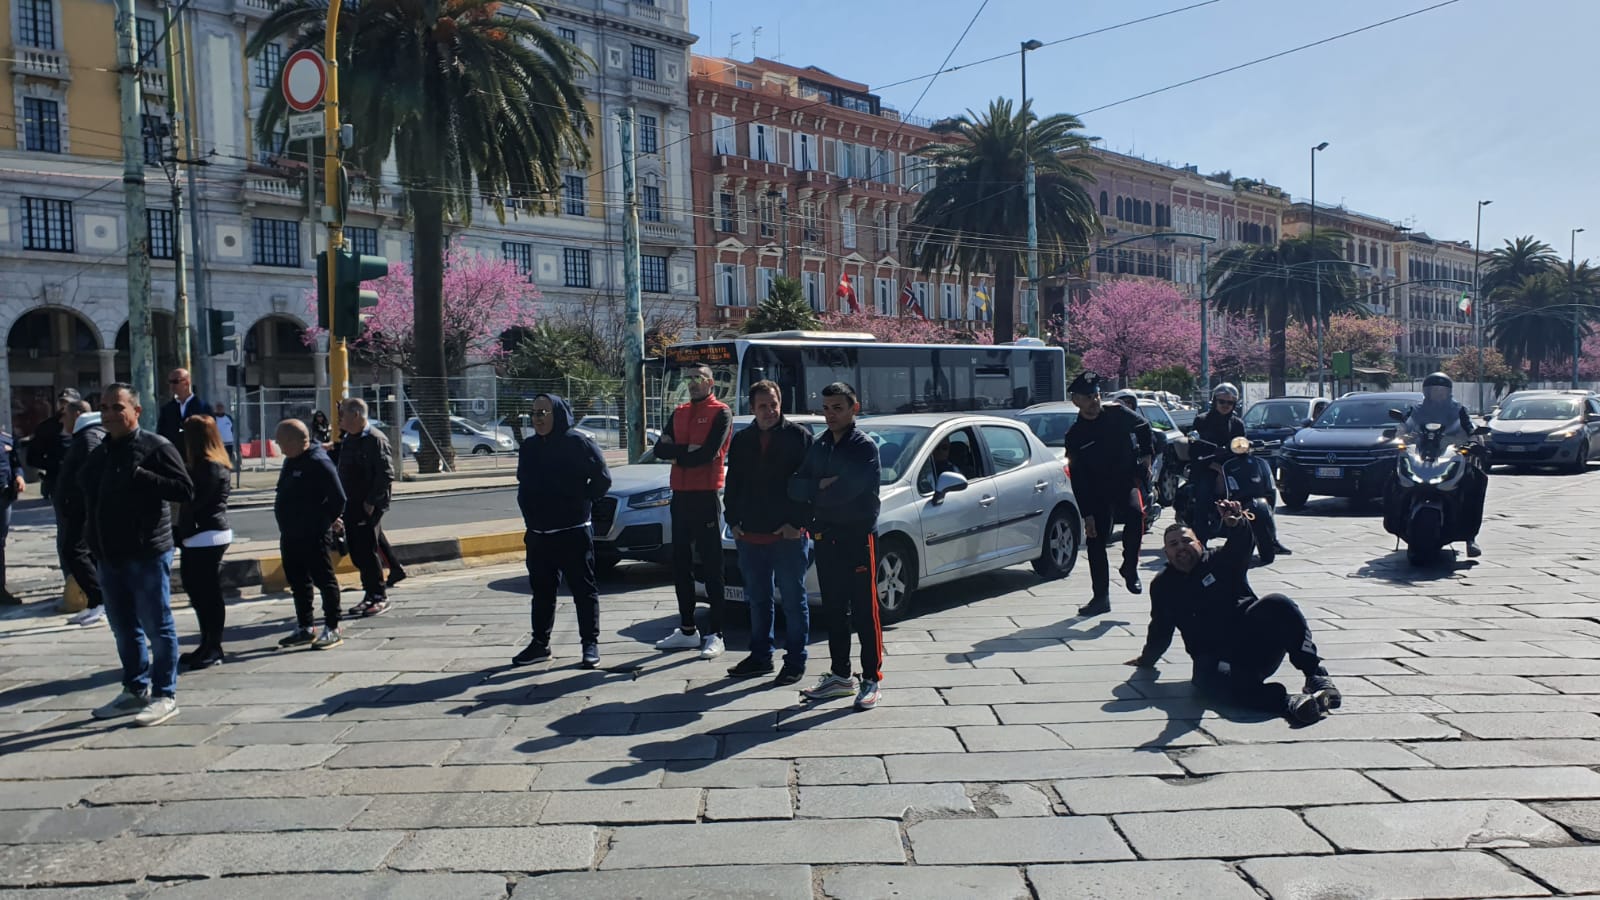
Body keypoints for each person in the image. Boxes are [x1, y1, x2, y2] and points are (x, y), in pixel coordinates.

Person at [1127, 502, 1341, 725]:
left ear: (1199, 544)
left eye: (1187, 540)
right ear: (1166, 553)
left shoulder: (1221, 560)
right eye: (1174, 544)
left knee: (1278, 603)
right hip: (1217, 660)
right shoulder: (1163, 585)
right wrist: (1146, 659)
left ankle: (1315, 675)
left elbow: (1241, 544)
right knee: (1209, 685)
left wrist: (1237, 523)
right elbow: (1161, 627)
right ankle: (1290, 703)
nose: (1181, 547)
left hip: (1256, 644)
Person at [81, 384, 194, 727]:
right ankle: (134, 690)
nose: (110, 415)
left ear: (136, 412)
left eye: (117, 407)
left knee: (157, 627)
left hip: (146, 553)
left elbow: (184, 490)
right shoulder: (100, 452)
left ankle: (164, 695)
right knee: (123, 628)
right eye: (104, 408)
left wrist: (142, 477)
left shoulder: (155, 446)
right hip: (108, 555)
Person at [791, 382, 883, 710]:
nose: (830, 414)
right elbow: (795, 486)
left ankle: (871, 678)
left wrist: (816, 492)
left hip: (857, 539)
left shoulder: (863, 447)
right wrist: (819, 485)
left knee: (864, 611)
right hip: (825, 538)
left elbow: (848, 492)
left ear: (853, 408)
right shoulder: (821, 445)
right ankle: (840, 675)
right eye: (826, 408)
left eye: (838, 408)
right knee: (833, 609)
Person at [723, 379, 814, 684]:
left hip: (788, 537)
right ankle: (761, 656)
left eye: (773, 404)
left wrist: (798, 524)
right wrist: (732, 520)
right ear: (752, 408)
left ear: (780, 403)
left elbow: (811, 487)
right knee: (758, 600)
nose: (769, 410)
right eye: (762, 405)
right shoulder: (742, 440)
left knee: (792, 600)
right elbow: (732, 483)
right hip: (750, 536)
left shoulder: (799, 437)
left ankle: (796, 660)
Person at [512, 393, 612, 668]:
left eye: (544, 412)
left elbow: (603, 479)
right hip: (538, 533)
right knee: (542, 591)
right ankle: (539, 644)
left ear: (558, 414)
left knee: (583, 589)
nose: (538, 418)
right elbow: (524, 483)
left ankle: (589, 644)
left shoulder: (577, 442)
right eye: (534, 413)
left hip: (573, 531)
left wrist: (580, 500)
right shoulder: (529, 447)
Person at [652, 364, 734, 659]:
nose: (692, 383)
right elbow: (659, 450)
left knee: (712, 564)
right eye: (688, 379)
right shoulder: (680, 412)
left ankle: (717, 632)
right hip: (680, 496)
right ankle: (687, 629)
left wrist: (679, 452)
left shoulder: (721, 412)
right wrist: (687, 451)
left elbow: (707, 453)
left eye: (698, 379)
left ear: (710, 382)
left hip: (706, 495)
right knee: (681, 562)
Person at [1064, 372, 1153, 617]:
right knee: (1095, 541)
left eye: (1096, 395)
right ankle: (1101, 597)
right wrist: (1087, 515)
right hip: (1096, 490)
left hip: (1124, 481)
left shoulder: (1117, 413)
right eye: (1088, 397)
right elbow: (1078, 478)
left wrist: (1147, 455)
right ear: (1076, 401)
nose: (1094, 401)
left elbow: (1144, 427)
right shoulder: (1074, 436)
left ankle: (1130, 567)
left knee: (1137, 515)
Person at [273, 419, 346, 650]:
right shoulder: (292, 459)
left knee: (324, 580)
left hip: (313, 534)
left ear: (296, 441)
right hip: (290, 533)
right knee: (298, 581)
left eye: (281, 442)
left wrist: (323, 521)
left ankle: (333, 627)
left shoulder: (318, 462)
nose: (279, 447)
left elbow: (339, 498)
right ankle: (305, 626)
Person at [1404, 371, 1486, 558]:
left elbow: (1470, 428)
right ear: (1426, 392)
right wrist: (1399, 434)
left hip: (1450, 453)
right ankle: (1396, 515)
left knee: (1475, 482)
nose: (1437, 393)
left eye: (1441, 390)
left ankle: (1470, 536)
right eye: (1433, 390)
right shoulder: (1416, 409)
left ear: (1448, 392)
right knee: (1393, 476)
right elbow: (1406, 426)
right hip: (1420, 453)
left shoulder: (1458, 409)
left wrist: (1474, 441)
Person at [177, 415, 233, 670]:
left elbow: (195, 503)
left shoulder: (209, 467)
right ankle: (207, 643)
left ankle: (214, 646)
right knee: (198, 591)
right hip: (203, 534)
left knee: (207, 593)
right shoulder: (207, 464)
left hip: (206, 534)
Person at [335, 398, 395, 618]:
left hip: (366, 505)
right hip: (350, 503)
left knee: (367, 551)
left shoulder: (374, 439)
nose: (340, 420)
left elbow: (386, 474)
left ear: (356, 415)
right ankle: (369, 593)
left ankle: (378, 595)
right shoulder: (350, 439)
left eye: (343, 415)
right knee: (358, 552)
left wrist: (371, 501)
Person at [55, 401, 107, 625]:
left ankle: (99, 600)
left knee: (74, 550)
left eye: (64, 414)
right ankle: (95, 602)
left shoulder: (88, 437)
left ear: (77, 414)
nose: (61, 419)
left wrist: (77, 499)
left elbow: (89, 474)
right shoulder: (84, 435)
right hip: (78, 508)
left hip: (82, 509)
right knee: (82, 552)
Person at [26, 388, 76, 500]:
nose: (64, 406)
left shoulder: (88, 425)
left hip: (83, 480)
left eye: (68, 403)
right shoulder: (46, 427)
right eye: (62, 402)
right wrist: (57, 464)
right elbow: (32, 457)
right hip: (57, 482)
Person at [0, 424, 24, 605]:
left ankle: (1, 590)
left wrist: (19, 476)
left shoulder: (6, 438)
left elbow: (15, 462)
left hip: (4, 495)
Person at [156, 369, 205, 449]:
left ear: (186, 383)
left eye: (175, 382)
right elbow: (161, 434)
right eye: (170, 382)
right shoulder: (166, 409)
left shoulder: (202, 407)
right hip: (174, 456)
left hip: (197, 455)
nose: (172, 385)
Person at [212, 403, 237, 467]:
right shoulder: (213, 418)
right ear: (216, 409)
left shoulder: (228, 417)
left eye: (221, 408)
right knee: (219, 461)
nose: (220, 409)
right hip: (218, 444)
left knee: (228, 460)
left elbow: (232, 429)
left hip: (229, 443)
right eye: (218, 408)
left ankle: (227, 471)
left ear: (224, 409)